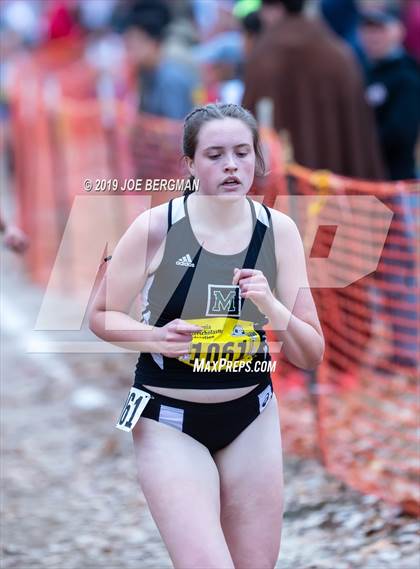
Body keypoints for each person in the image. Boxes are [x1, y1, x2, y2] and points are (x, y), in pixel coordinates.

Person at [89, 103, 324, 568]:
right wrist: (157, 338)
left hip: (251, 415)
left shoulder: (279, 232)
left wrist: (272, 306)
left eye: (241, 153)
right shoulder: (157, 227)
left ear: (257, 160)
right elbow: (100, 314)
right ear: (191, 165)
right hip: (168, 418)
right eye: (215, 155)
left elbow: (311, 351)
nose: (231, 165)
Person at [243, 0, 385, 180]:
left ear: (276, 7)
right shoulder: (337, 52)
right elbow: (357, 131)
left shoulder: (264, 55)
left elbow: (250, 119)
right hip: (336, 188)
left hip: (282, 190)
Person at [359, 8, 420, 180]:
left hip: (395, 180)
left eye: (380, 29)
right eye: (368, 29)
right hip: (367, 177)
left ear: (398, 32)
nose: (373, 36)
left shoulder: (407, 76)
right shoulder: (363, 69)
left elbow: (401, 133)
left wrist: (360, 144)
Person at [121, 0, 199, 120]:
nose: (130, 52)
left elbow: (174, 130)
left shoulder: (171, 79)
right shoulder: (145, 71)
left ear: (154, 43)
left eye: (135, 44)